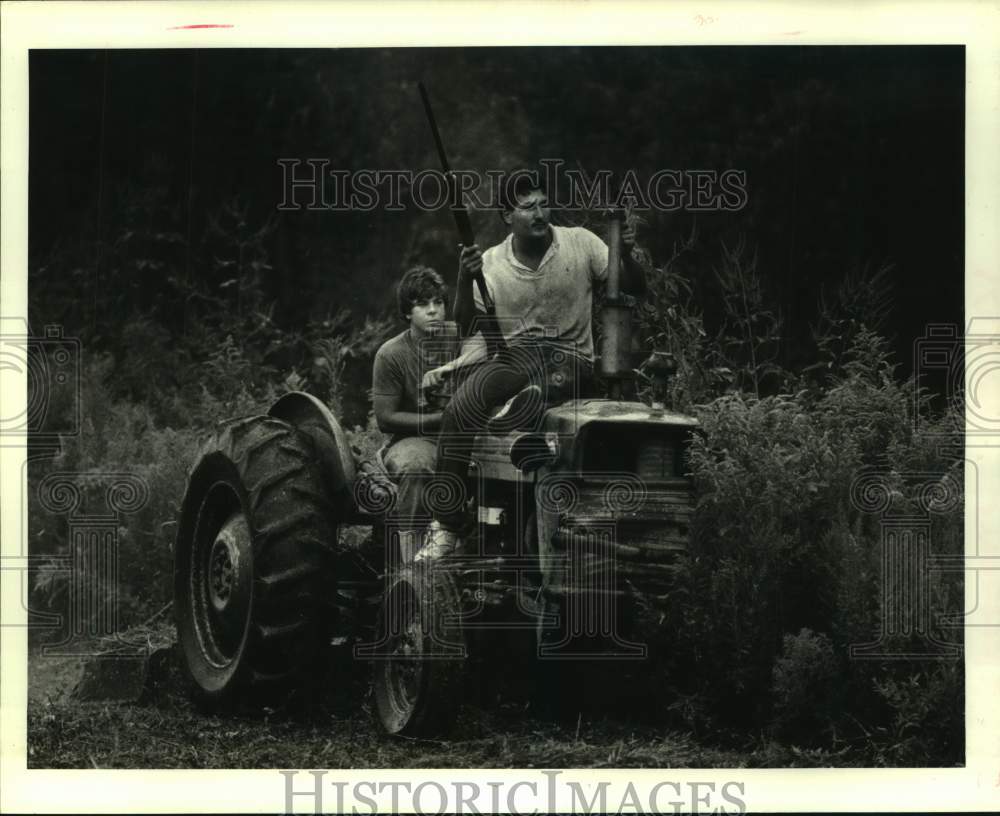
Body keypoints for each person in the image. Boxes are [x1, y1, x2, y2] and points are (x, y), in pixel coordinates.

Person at [416, 169, 648, 560]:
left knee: (552, 381)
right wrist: (463, 276)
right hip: (514, 359)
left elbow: (635, 288)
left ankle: (520, 407)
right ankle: (447, 524)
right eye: (528, 207)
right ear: (508, 215)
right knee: (460, 407)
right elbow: (465, 324)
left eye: (543, 204)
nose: (540, 213)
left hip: (569, 357)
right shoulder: (490, 262)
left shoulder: (581, 243)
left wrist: (624, 252)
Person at [371, 266, 459, 560]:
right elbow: (385, 418)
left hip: (461, 437)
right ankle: (410, 562)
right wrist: (441, 419)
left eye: (439, 302)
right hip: (411, 439)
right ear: (408, 312)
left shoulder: (460, 341)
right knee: (417, 466)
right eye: (423, 304)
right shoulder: (391, 354)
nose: (433, 311)